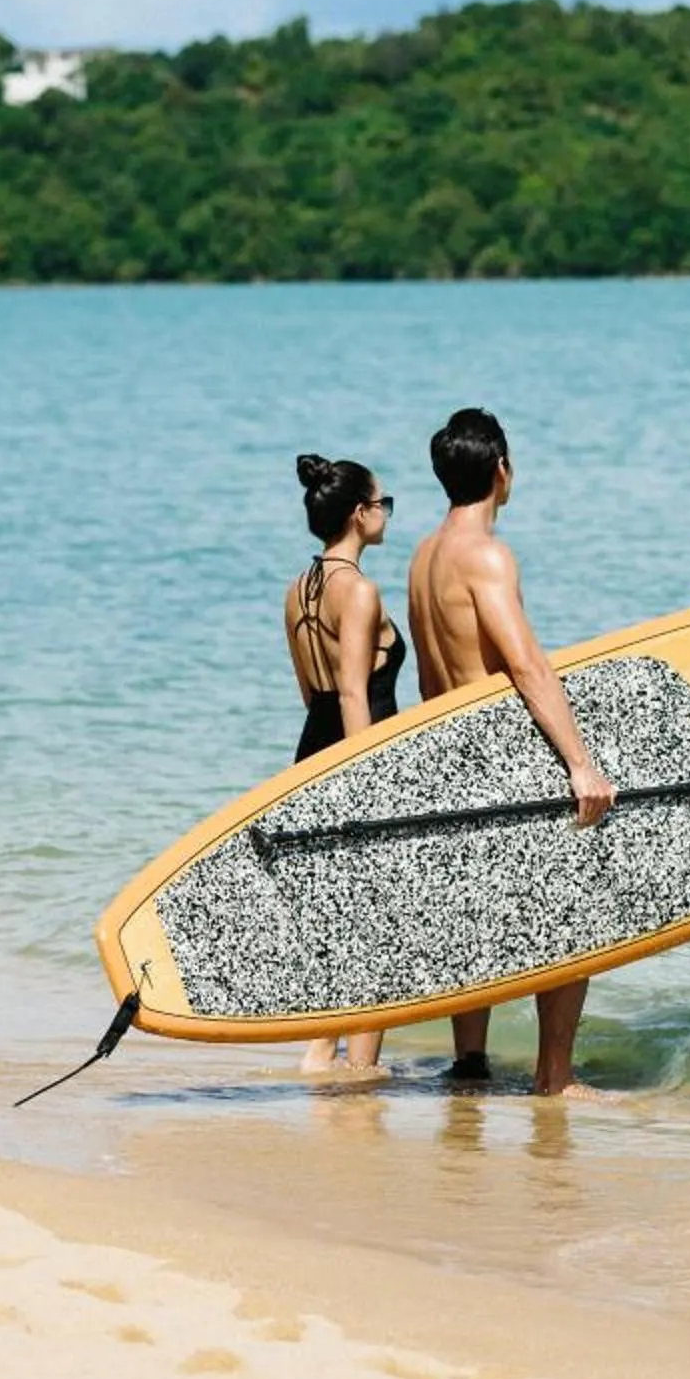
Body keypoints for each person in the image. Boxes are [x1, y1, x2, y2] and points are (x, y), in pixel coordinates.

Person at [405, 408, 615, 1097]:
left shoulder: (423, 558)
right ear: (502, 472)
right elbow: (525, 665)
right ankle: (554, 1077)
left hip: (448, 755)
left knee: (477, 914)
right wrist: (580, 762)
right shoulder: (486, 557)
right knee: (572, 914)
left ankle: (470, 1064)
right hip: (501, 759)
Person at [285, 452, 404, 1074]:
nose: (387, 513)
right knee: (376, 927)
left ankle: (319, 1052)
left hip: (312, 753)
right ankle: (359, 1072)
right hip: (355, 759)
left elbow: (314, 693)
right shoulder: (356, 591)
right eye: (383, 503)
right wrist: (368, 785)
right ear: (359, 515)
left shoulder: (298, 590)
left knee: (336, 918)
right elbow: (357, 692)